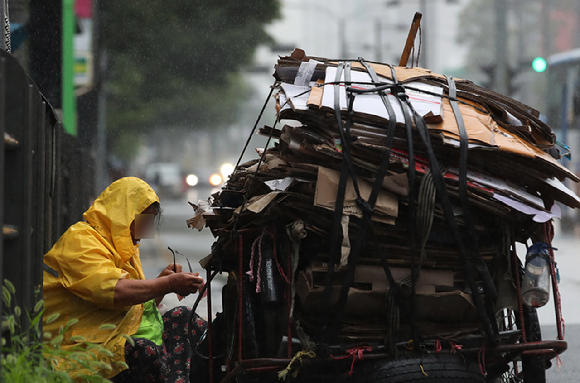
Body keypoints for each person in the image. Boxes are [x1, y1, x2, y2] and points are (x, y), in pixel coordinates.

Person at [43, 177, 207, 382]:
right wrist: (169, 283)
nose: (144, 231)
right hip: (83, 347)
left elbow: (135, 308)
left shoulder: (125, 246)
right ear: (122, 215)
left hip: (115, 336)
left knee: (185, 320)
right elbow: (116, 292)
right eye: (142, 222)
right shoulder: (80, 241)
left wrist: (161, 286)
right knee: (145, 353)